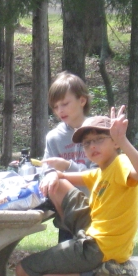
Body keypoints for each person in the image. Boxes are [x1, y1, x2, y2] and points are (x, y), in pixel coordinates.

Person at [16, 106, 138, 276]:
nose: (92, 146)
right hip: (99, 241)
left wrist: (123, 140)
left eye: (99, 139)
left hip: (98, 248)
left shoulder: (120, 164)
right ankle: (78, 249)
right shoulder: (99, 172)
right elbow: (62, 177)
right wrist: (53, 173)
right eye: (87, 143)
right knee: (58, 185)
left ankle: (92, 274)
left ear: (115, 143)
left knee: (23, 271)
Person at [41, 72, 96, 242]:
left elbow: (100, 176)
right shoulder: (53, 137)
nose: (60, 110)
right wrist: (50, 172)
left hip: (97, 213)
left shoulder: (97, 133)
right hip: (66, 218)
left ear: (82, 100)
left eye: (65, 103)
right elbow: (46, 172)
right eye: (55, 106)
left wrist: (67, 166)